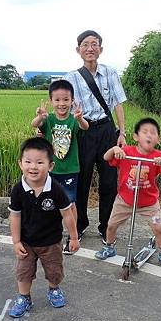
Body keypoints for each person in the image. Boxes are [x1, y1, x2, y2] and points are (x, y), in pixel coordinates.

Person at [63, 29, 127, 249]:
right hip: (83, 131)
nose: (90, 48)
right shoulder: (70, 78)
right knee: (82, 180)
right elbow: (62, 106)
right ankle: (79, 226)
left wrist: (122, 133)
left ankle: (105, 227)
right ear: (78, 49)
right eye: (85, 44)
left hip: (107, 131)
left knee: (109, 182)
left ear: (101, 48)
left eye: (94, 44)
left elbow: (118, 103)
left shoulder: (111, 73)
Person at [7, 137, 80, 318]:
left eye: (40, 162)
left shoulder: (56, 189)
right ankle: (24, 297)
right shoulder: (18, 190)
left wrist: (73, 237)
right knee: (23, 272)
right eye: (28, 162)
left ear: (50, 166)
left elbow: (67, 213)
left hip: (51, 241)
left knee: (54, 270)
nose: (33, 167)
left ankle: (54, 290)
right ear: (20, 164)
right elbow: (15, 216)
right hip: (26, 242)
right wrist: (16, 241)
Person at [95, 117, 161, 270]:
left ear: (158, 139)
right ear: (135, 137)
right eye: (145, 132)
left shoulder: (158, 156)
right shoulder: (127, 152)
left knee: (158, 228)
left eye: (153, 133)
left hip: (149, 203)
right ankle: (109, 247)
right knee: (111, 225)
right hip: (124, 200)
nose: (149, 135)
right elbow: (106, 158)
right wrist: (114, 150)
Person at [31, 80, 89, 254]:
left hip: (70, 170)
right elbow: (34, 125)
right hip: (51, 170)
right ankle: (49, 233)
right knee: (48, 203)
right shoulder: (48, 120)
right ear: (51, 101)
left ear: (72, 101)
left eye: (66, 100)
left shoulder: (73, 120)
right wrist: (40, 116)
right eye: (57, 100)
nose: (61, 104)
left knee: (70, 204)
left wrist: (80, 118)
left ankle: (73, 235)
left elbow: (85, 126)